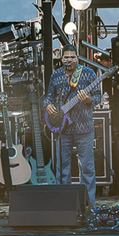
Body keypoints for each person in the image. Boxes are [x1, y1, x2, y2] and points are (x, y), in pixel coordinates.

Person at [43, 44, 101, 207]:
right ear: (61, 59)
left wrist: (89, 100)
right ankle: (64, 204)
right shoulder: (56, 75)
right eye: (66, 57)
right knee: (62, 168)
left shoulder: (88, 73)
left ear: (77, 58)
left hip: (84, 129)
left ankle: (89, 205)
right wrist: (47, 105)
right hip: (63, 129)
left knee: (87, 168)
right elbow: (48, 97)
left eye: (72, 57)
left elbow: (98, 97)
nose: (69, 60)